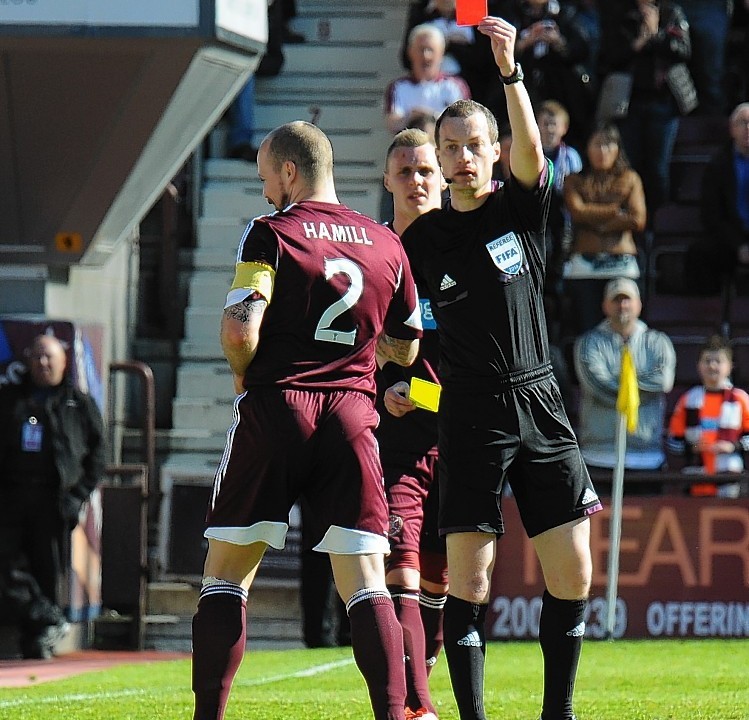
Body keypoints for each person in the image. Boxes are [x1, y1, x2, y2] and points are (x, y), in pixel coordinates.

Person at [400, 17, 603, 720]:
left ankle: (559, 712)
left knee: (574, 571)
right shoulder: (419, 241)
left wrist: (509, 70)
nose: (460, 158)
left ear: (494, 153)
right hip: (469, 414)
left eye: (472, 146)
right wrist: (402, 382)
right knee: (472, 581)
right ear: (437, 154)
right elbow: (395, 334)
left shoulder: (520, 208)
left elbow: (530, 150)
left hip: (539, 400)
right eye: (448, 148)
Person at [190, 121, 423, 720]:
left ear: (290, 171)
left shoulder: (271, 233)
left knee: (226, 576)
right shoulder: (386, 243)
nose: (266, 190)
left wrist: (243, 370)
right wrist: (366, 353)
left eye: (267, 176)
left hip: (277, 409)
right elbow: (407, 347)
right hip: (351, 416)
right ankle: (394, 716)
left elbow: (241, 326)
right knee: (368, 582)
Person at [378, 128, 448, 718]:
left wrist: (418, 391)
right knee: (402, 567)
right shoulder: (375, 255)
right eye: (405, 172)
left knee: (440, 586)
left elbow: (481, 364)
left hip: (461, 439)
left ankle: (416, 681)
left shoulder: (462, 253)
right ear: (387, 180)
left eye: (426, 170)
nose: (417, 181)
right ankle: (418, 709)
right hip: (396, 444)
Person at [0, 333, 105, 659]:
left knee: (47, 568)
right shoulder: (9, 398)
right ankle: (44, 614)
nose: (43, 364)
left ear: (63, 362)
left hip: (54, 500)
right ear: (28, 360)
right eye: (38, 357)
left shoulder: (78, 402)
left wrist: (77, 496)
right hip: (12, 495)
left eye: (50, 358)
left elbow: (98, 455)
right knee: (5, 565)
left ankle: (38, 639)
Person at [574, 278, 676, 489]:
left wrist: (624, 387)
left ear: (639, 304)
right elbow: (595, 384)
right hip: (598, 456)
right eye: (616, 300)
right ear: (605, 305)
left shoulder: (658, 342)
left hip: (647, 457)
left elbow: (663, 381)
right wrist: (634, 390)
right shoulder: (589, 342)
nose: (622, 306)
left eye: (627, 300)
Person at [598, 0, 694, 213]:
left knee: (658, 169)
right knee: (630, 166)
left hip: (663, 103)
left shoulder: (671, 12)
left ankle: (657, 224)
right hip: (628, 104)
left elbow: (683, 51)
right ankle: (634, 220)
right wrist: (640, 41)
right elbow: (611, 57)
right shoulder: (621, 12)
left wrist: (657, 35)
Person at [562, 121, 647, 336]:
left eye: (609, 145)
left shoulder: (630, 178)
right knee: (586, 329)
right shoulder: (575, 180)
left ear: (618, 148)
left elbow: (637, 219)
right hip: (584, 265)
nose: (603, 151)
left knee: (626, 328)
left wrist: (596, 221)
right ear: (587, 147)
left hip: (621, 262)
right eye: (597, 144)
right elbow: (577, 211)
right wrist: (614, 211)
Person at [666, 334, 749, 498]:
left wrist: (733, 446)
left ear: (730, 366)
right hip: (695, 480)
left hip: (730, 480)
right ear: (698, 365)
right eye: (707, 361)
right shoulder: (688, 400)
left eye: (718, 361)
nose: (712, 366)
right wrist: (692, 448)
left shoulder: (741, 399)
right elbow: (673, 441)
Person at [685, 102, 749, 297]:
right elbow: (711, 216)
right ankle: (705, 319)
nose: (748, 128)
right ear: (732, 129)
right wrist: (739, 246)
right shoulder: (718, 166)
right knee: (699, 255)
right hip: (732, 240)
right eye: (743, 123)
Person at [384, 24, 471, 136]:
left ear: (441, 53)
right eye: (421, 49)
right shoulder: (398, 87)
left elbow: (465, 122)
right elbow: (392, 122)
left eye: (430, 50)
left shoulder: (455, 86)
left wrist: (431, 117)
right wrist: (412, 117)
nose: (426, 56)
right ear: (410, 52)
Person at [536, 100, 583, 304]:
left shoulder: (571, 156)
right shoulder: (530, 153)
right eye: (545, 124)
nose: (549, 129)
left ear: (564, 128)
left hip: (561, 221)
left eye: (554, 124)